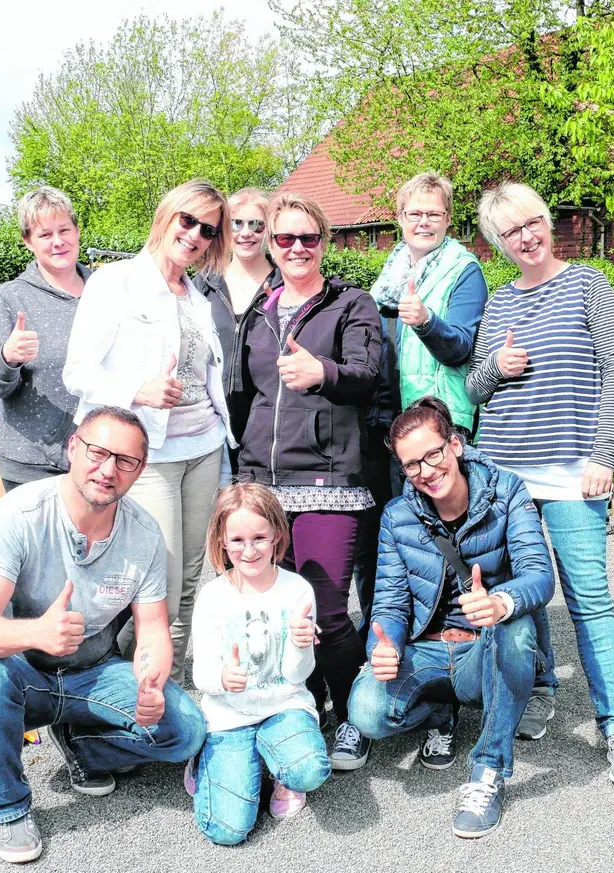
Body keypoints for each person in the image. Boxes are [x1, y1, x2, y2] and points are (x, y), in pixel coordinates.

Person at [0, 406, 207, 864]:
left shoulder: (144, 534)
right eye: (98, 452)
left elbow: (152, 629)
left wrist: (151, 680)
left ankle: (81, 745)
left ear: (139, 470)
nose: (108, 470)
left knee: (185, 732)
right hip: (23, 673)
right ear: (73, 448)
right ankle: (11, 808)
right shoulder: (20, 514)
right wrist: (37, 632)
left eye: (125, 461)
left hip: (94, 672)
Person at [466, 182, 614, 786]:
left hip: (574, 470)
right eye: (512, 231)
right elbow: (474, 390)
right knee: (525, 591)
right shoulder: (498, 303)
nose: (527, 236)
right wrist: (499, 366)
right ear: (499, 243)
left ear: (549, 222)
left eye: (534, 222)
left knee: (590, 599)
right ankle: (539, 688)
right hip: (504, 470)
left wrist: (605, 455)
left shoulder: (589, 284)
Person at [348, 397, 553, 839]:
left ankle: (488, 770)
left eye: (432, 454)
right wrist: (381, 647)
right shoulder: (398, 516)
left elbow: (539, 575)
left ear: (455, 445)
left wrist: (500, 602)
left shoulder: (508, 492)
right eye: (411, 465)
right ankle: (441, 710)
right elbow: (389, 602)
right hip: (427, 647)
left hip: (484, 648)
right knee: (365, 711)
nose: (425, 470)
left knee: (516, 625)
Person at [63, 179, 236, 682]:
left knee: (188, 581)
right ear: (166, 216)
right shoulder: (114, 282)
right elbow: (78, 372)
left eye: (208, 229)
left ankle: (169, 691)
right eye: (188, 220)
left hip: (203, 446)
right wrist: (136, 389)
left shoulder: (197, 295)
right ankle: (144, 698)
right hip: (149, 454)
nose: (196, 235)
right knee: (157, 584)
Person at [236, 191, 383, 769]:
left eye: (309, 238)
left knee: (324, 611)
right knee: (274, 614)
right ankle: (300, 704)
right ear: (270, 244)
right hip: (261, 483)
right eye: (284, 238)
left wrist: (323, 371)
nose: (297, 248)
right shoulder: (256, 309)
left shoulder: (350, 302)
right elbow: (242, 394)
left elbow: (369, 376)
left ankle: (351, 715)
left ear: (325, 242)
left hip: (328, 481)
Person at [356, 172, 489, 623]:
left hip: (436, 422)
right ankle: (392, 631)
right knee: (395, 531)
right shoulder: (392, 271)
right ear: (400, 218)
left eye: (434, 213)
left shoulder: (464, 270)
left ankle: (461, 625)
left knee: (447, 531)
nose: (424, 222)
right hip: (388, 416)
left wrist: (428, 321)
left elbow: (464, 347)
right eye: (415, 213)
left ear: (449, 219)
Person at [186, 484, 330, 845]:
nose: (249, 550)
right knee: (227, 829)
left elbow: (299, 675)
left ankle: (278, 760)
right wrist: (223, 677)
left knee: (310, 771)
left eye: (259, 538)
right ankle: (210, 759)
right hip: (229, 717)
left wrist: (300, 645)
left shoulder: (297, 588)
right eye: (237, 540)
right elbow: (201, 675)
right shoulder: (212, 596)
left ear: (277, 536)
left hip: (285, 706)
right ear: (221, 540)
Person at [0, 186, 89, 492]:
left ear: (77, 230)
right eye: (45, 235)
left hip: (99, 459)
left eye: (64, 230)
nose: (58, 242)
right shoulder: (10, 298)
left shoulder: (105, 290)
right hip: (35, 466)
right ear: (28, 242)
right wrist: (7, 358)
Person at [192, 187, 282, 471]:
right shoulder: (201, 286)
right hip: (210, 425)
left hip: (268, 427)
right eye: (237, 223)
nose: (246, 233)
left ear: (268, 231)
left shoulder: (285, 285)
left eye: (256, 225)